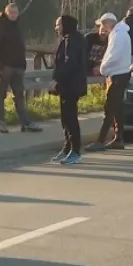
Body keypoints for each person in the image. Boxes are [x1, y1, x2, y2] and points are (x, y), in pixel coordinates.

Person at [0, 3, 42, 133]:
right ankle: (1, 123)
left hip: (18, 67)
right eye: (11, 12)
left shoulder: (18, 28)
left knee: (19, 96)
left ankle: (25, 123)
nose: (13, 15)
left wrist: (23, 64)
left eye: (15, 12)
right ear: (6, 13)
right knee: (0, 96)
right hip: (5, 67)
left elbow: (21, 47)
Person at [86, 13, 132, 151]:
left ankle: (100, 141)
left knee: (110, 108)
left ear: (108, 23)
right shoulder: (120, 33)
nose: (103, 28)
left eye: (103, 24)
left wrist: (103, 68)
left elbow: (112, 56)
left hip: (117, 75)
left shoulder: (118, 35)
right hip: (121, 73)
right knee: (117, 108)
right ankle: (119, 138)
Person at [51, 14, 88, 164]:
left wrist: (57, 79)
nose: (56, 28)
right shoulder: (70, 39)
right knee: (65, 119)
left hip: (71, 85)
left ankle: (75, 151)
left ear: (65, 25)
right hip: (67, 85)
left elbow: (69, 64)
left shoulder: (72, 41)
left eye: (58, 25)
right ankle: (67, 148)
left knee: (70, 118)